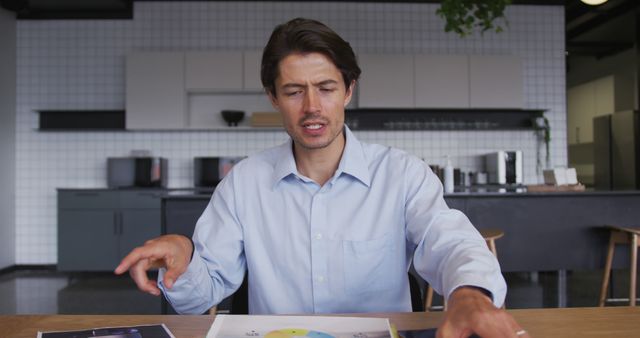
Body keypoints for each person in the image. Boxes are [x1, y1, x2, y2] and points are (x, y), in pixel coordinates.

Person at [116, 18, 529, 338]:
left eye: (326, 88)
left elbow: (451, 242)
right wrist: (185, 257)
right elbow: (197, 300)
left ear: (348, 90)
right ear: (273, 97)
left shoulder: (402, 174)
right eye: (294, 91)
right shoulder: (243, 184)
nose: (312, 107)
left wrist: (470, 295)